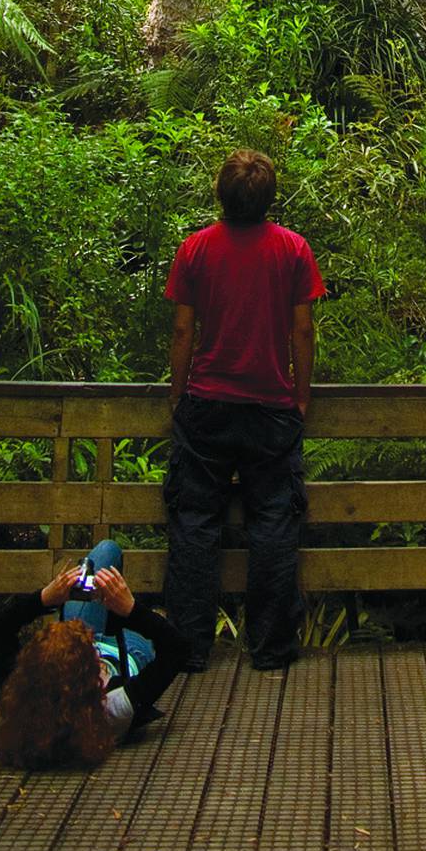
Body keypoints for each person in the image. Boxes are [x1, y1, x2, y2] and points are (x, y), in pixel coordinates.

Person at [163, 146, 326, 671]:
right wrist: (300, 394)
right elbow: (302, 329)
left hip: (207, 403)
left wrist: (177, 392)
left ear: (221, 194)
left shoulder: (196, 250)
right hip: (271, 407)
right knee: (274, 522)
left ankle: (187, 648)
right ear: (269, 197)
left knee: (194, 522)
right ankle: (272, 647)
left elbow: (184, 329)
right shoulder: (293, 250)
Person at [0, 539, 187, 767]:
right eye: (91, 651)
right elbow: (176, 649)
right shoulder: (114, 708)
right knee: (159, 620)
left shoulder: (17, 703)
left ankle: (113, 616)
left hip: (75, 653)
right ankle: (144, 614)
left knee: (106, 551)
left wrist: (44, 598)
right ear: (92, 675)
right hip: (130, 654)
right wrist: (131, 610)